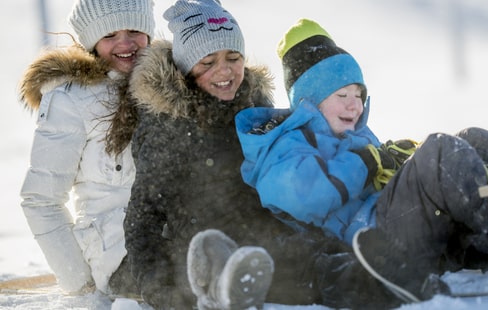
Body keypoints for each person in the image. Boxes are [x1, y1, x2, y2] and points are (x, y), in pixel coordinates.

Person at [236, 18, 488, 302]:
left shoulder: (353, 134)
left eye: (359, 95)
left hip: (404, 226)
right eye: (342, 96)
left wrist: (395, 158)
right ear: (310, 101)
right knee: (439, 152)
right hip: (372, 243)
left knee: (470, 137)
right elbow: (302, 196)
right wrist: (367, 162)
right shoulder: (284, 144)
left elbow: (376, 172)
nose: (355, 106)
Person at [122, 1, 397, 309]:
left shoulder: (255, 106)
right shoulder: (167, 126)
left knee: (330, 256)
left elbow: (297, 162)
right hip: (210, 245)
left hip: (272, 231)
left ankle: (396, 277)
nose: (224, 70)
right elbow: (142, 217)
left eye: (233, 57)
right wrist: (159, 288)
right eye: (207, 62)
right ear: (186, 69)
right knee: (309, 273)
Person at [17, 0, 155, 297]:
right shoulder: (71, 100)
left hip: (171, 239)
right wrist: (81, 285)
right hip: (117, 254)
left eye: (134, 30)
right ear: (91, 41)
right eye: (109, 35)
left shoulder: (166, 88)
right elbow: (41, 200)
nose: (126, 43)